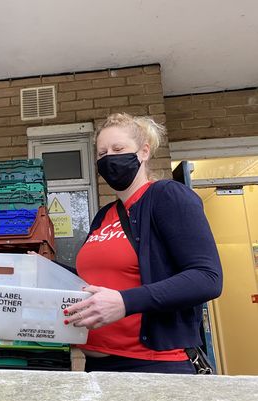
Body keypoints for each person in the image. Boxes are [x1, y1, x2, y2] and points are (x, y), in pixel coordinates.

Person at [64, 113, 222, 373]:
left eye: (118, 149)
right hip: (97, 367)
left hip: (153, 367)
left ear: (144, 152)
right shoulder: (104, 215)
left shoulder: (167, 197)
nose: (109, 158)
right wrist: (43, 266)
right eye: (102, 153)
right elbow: (96, 278)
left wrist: (125, 302)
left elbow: (207, 277)